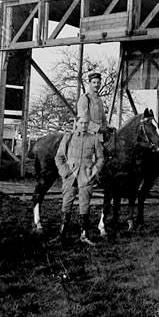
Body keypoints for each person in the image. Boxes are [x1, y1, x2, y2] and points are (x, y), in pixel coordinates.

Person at [54, 116, 105, 245]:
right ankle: (62, 234)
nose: (83, 125)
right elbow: (59, 157)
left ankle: (84, 235)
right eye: (81, 123)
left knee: (84, 205)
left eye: (86, 123)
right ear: (76, 123)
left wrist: (94, 172)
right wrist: (65, 172)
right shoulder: (68, 138)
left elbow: (100, 158)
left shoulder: (94, 139)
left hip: (85, 177)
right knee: (66, 203)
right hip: (70, 177)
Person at [77, 71, 109, 136]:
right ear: (90, 83)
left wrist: (107, 127)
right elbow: (82, 120)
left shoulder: (99, 100)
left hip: (100, 134)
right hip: (88, 133)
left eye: (98, 83)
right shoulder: (85, 98)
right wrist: (98, 128)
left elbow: (103, 118)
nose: (96, 85)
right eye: (94, 82)